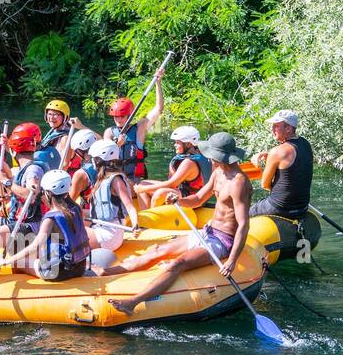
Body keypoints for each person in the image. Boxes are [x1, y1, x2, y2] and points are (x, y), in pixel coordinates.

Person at [103, 132, 252, 316]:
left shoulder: (239, 183)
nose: (208, 158)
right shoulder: (218, 172)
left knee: (178, 263)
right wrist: (179, 201)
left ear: (219, 157)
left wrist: (231, 260)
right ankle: (106, 272)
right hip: (208, 231)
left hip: (222, 241)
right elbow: (197, 198)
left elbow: (244, 224)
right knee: (157, 250)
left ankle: (132, 302)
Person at [0, 170, 91, 281]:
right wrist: (39, 193)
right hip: (79, 268)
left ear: (48, 193)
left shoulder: (50, 219)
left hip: (56, 272)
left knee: (18, 263)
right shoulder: (75, 208)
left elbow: (35, 246)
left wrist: (8, 260)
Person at [0, 123, 47, 270]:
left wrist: (5, 181)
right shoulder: (28, 167)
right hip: (21, 221)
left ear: (13, 152)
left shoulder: (33, 170)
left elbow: (31, 196)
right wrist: (8, 197)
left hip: (31, 225)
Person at [104, 66, 165, 181]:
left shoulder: (139, 128)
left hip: (134, 178)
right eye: (116, 116)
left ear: (129, 116)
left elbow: (159, 109)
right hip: (114, 178)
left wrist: (158, 83)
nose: (118, 119)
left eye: (122, 116)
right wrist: (117, 145)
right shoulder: (109, 133)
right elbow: (105, 157)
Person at [250, 109, 313, 219]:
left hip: (280, 208)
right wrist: (269, 156)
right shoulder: (305, 144)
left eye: (276, 126)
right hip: (302, 207)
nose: (272, 129)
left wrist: (267, 162)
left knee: (240, 215)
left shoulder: (278, 151)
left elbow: (264, 185)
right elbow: (295, 162)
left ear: (288, 128)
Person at [134, 125, 211, 208]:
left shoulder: (189, 163)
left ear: (188, 144)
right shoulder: (192, 155)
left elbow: (172, 184)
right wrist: (143, 188)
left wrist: (143, 189)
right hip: (183, 191)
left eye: (178, 143)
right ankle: (145, 216)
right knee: (143, 184)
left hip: (193, 198)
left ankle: (154, 219)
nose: (175, 145)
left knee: (160, 193)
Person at [85, 138, 139, 254]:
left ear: (100, 160)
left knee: (59, 230)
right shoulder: (102, 179)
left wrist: (135, 224)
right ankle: (49, 261)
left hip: (109, 236)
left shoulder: (115, 180)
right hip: (100, 228)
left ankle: (49, 266)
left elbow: (130, 206)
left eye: (93, 159)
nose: (92, 161)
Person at [66, 128, 101, 203]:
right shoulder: (109, 162)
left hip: (90, 212)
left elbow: (70, 201)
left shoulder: (80, 174)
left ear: (79, 151)